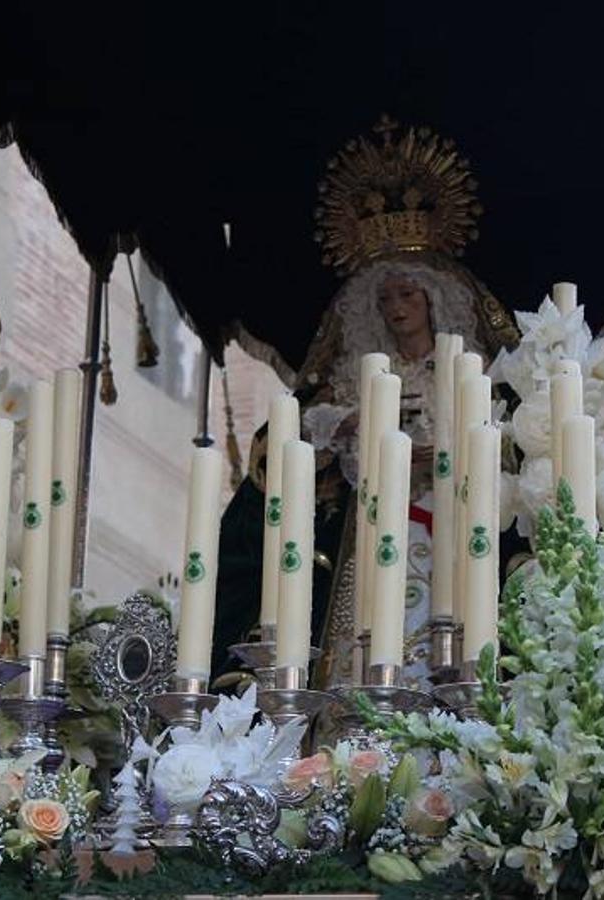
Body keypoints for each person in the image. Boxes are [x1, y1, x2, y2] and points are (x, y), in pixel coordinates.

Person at [213, 117, 518, 688]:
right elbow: (306, 431)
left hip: (446, 530)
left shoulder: (468, 375)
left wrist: (453, 454)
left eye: (407, 294)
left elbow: (502, 447)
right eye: (386, 299)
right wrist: (350, 428)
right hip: (372, 529)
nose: (397, 308)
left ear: (433, 299)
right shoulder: (357, 381)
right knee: (360, 645)